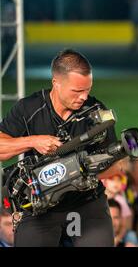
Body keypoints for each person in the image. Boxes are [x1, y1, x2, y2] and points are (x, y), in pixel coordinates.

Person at [0, 49, 127, 247]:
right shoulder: (29, 108)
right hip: (40, 207)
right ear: (56, 83)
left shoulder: (95, 111)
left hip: (87, 205)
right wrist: (33, 141)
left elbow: (117, 165)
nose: (84, 97)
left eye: (88, 90)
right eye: (77, 91)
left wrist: (84, 173)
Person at [102, 174, 133, 243]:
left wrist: (118, 238)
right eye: (112, 179)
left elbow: (124, 225)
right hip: (103, 233)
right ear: (105, 181)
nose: (116, 183)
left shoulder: (122, 201)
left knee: (131, 236)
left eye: (119, 180)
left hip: (119, 234)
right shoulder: (100, 199)